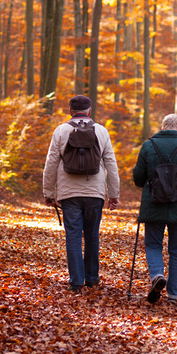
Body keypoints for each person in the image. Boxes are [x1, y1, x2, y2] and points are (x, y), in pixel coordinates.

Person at [43, 95, 120, 293]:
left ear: (70, 111)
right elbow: (111, 163)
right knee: (92, 235)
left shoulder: (61, 130)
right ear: (89, 110)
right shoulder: (101, 131)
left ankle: (76, 281)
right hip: (94, 192)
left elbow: (51, 162)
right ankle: (92, 278)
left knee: (73, 236)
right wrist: (113, 194)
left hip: (69, 193)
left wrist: (48, 192)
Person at [132, 114, 177, 304]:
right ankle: (173, 295)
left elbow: (138, 177)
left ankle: (157, 275)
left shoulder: (149, 145)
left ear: (163, 126)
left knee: (153, 244)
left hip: (154, 203)